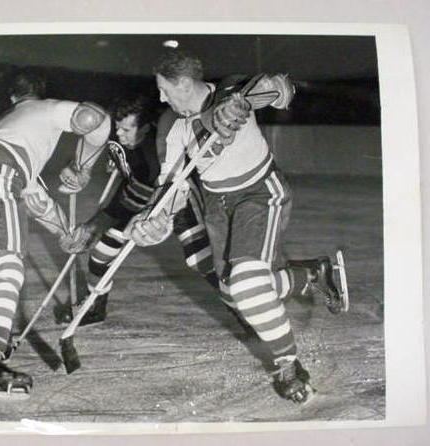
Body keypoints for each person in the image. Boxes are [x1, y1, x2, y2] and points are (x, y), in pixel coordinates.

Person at [124, 50, 347, 404]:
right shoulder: (171, 123)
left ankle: (288, 365)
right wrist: (156, 218)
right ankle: (311, 274)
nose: (162, 97)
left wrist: (245, 101)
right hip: (217, 206)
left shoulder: (229, 89)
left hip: (259, 194)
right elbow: (172, 184)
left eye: (165, 89)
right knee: (233, 293)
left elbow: (281, 88)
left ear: (183, 83)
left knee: (246, 286)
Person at [0, 70, 111, 395]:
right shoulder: (45, 109)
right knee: (9, 265)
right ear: (41, 93)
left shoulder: (12, 126)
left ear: (12, 97)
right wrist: (83, 168)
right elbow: (96, 118)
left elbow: (36, 199)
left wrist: (65, 232)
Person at [59, 95, 222, 325]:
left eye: (127, 129)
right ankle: (94, 307)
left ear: (146, 127)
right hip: (138, 199)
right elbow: (121, 184)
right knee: (101, 253)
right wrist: (78, 170)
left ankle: (245, 310)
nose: (120, 134)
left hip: (178, 201)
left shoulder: (160, 145)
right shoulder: (121, 140)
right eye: (118, 128)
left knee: (202, 261)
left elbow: (167, 189)